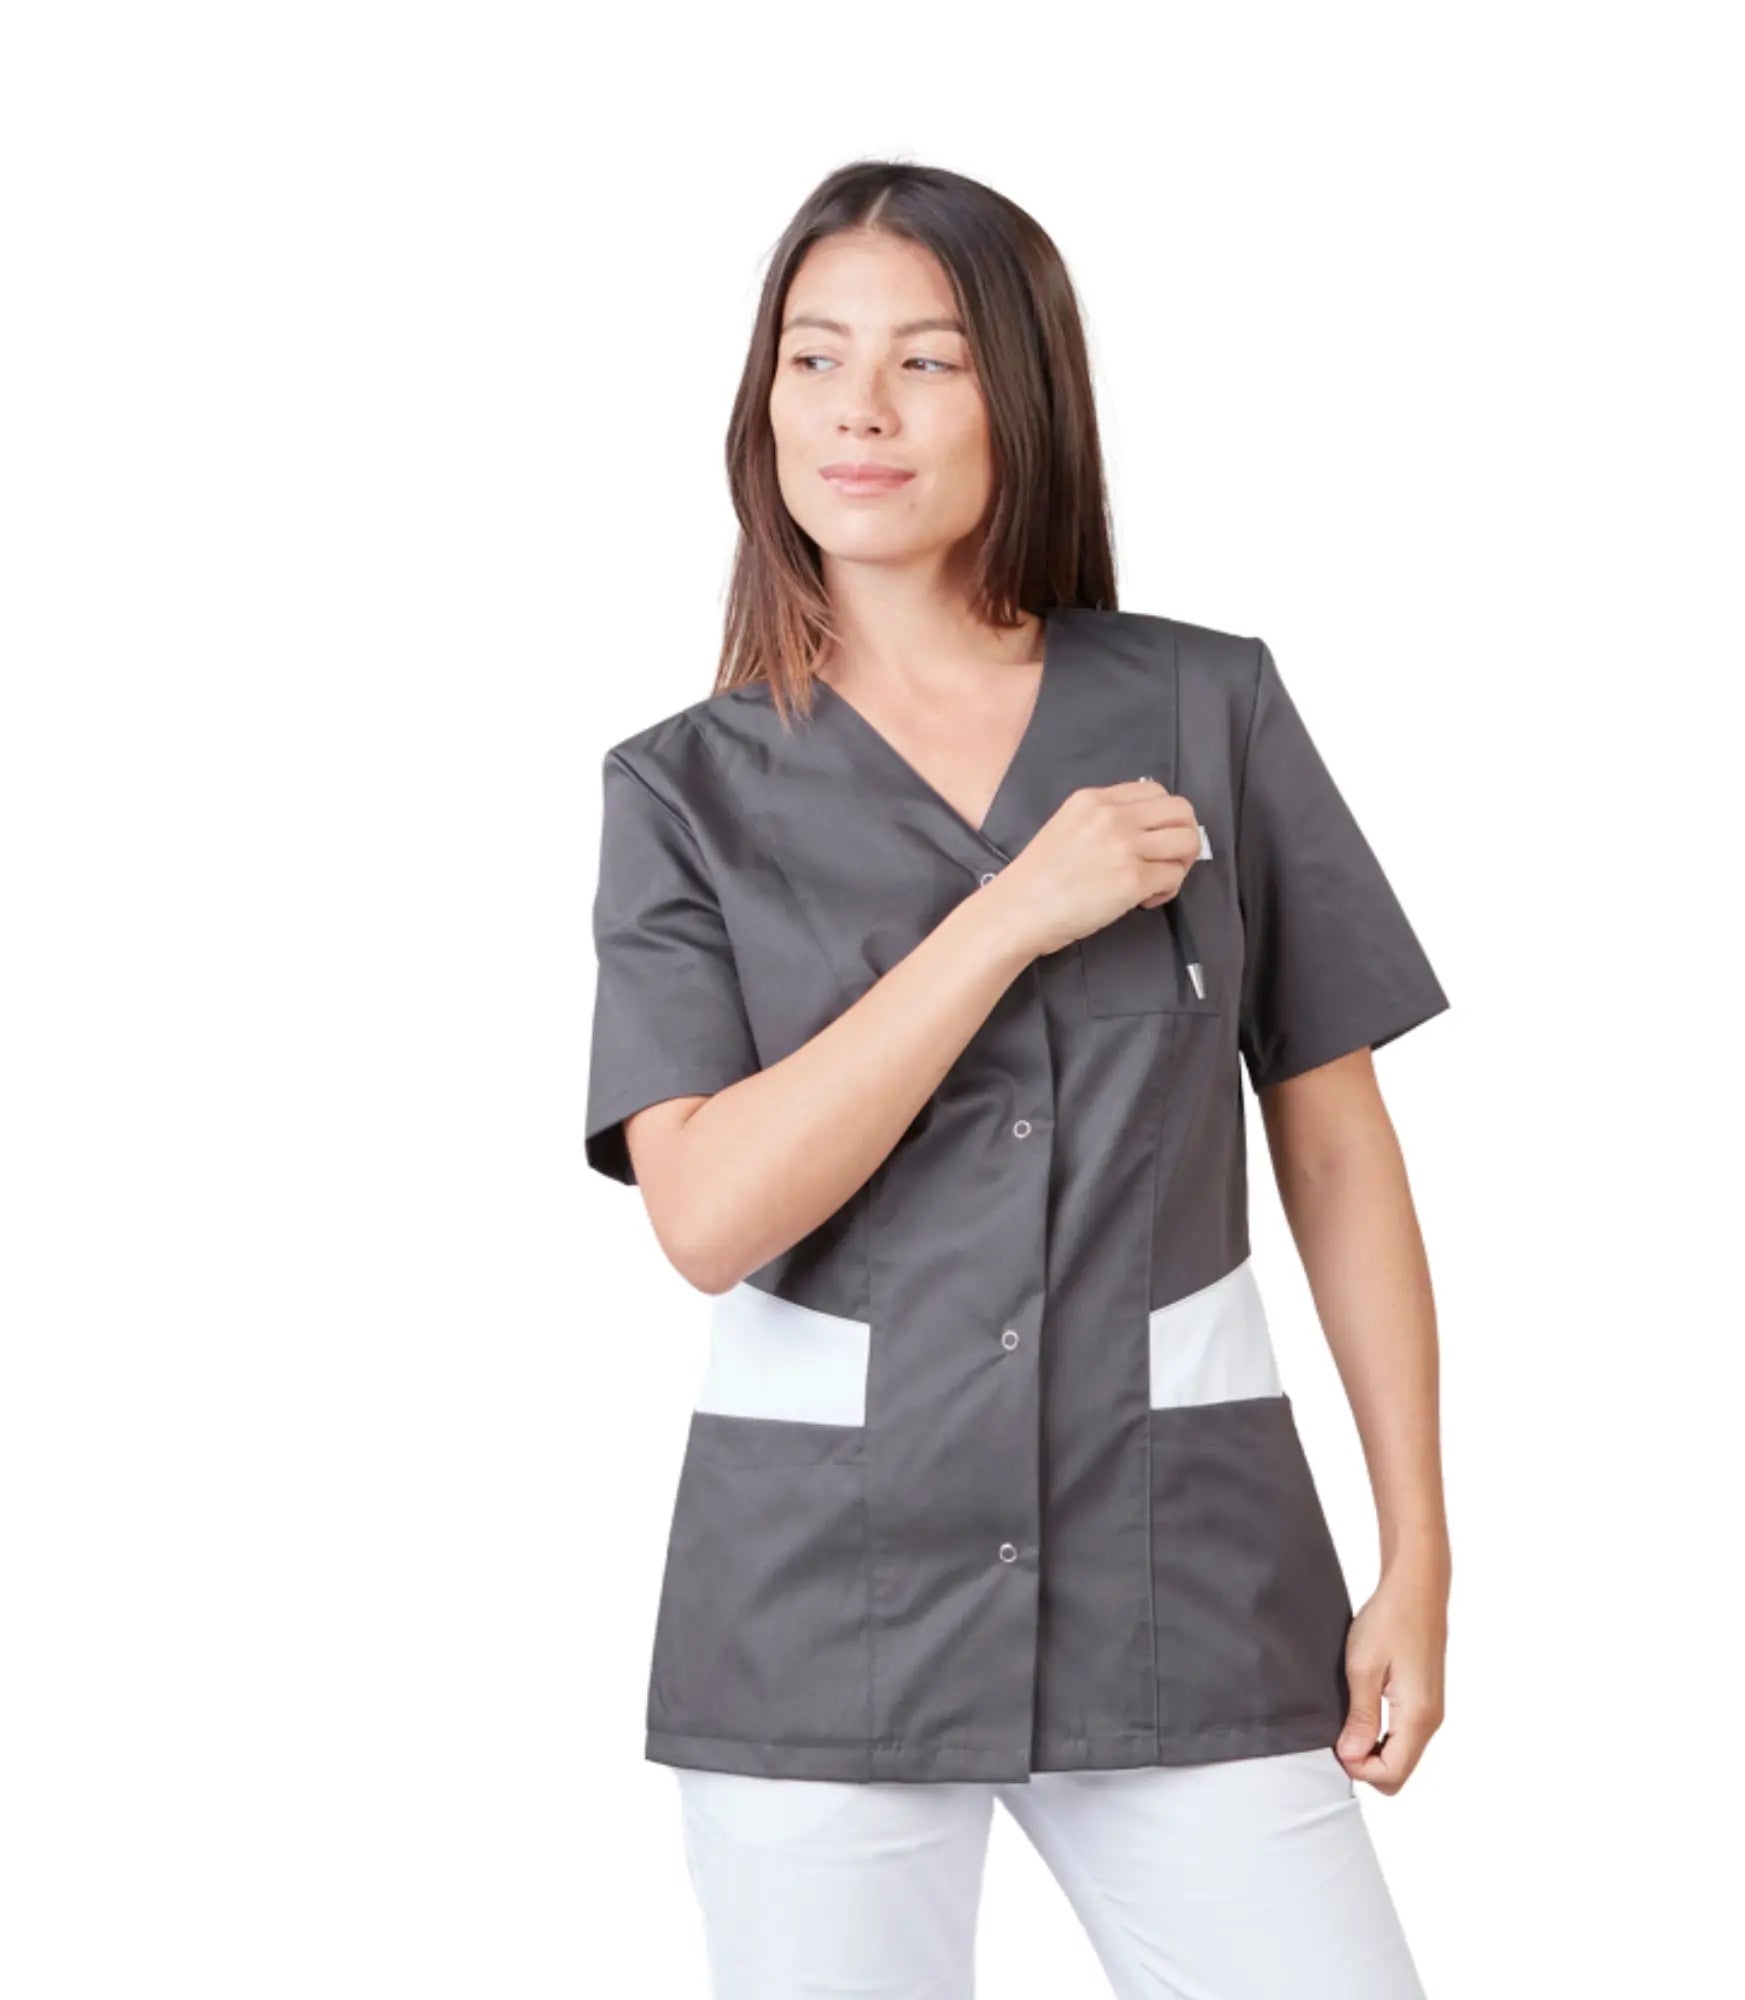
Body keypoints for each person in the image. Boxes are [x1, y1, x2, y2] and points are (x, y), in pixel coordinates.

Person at [583, 158, 1450, 1999]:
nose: (860, 409)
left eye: (928, 360)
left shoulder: (1211, 710)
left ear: (1023, 397)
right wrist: (1008, 921)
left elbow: (1336, 1148)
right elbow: (707, 1213)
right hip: (820, 1617)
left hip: (1186, 1582)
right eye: (814, 358)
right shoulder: (681, 793)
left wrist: (1418, 1547)